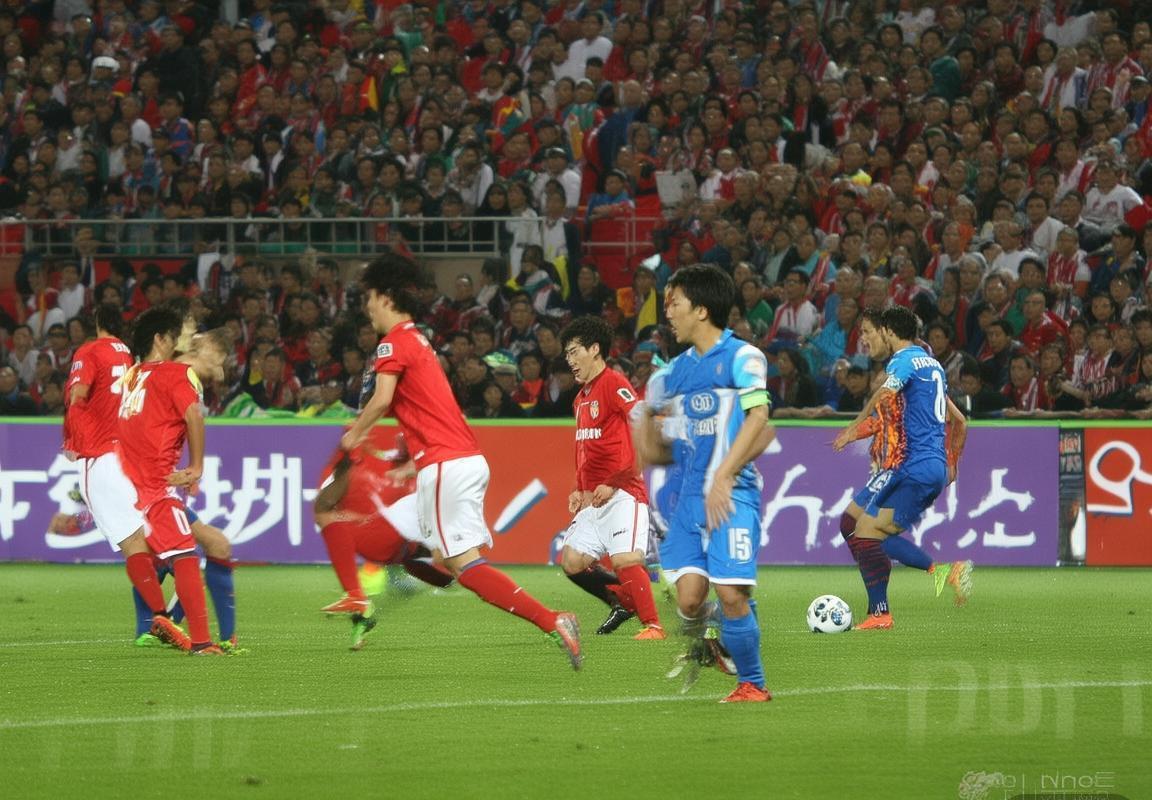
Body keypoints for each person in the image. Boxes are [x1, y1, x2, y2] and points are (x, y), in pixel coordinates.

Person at [339, 252, 582, 669]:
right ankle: (402, 574)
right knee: (437, 557)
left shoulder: (392, 342)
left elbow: (380, 400)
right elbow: (429, 409)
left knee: (464, 567)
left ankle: (552, 620)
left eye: (371, 299)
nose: (368, 308)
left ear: (387, 297)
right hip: (460, 460)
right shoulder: (419, 340)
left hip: (445, 465)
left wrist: (354, 435)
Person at [636, 264, 775, 703]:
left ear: (700, 309)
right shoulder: (669, 375)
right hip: (688, 503)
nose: (668, 313)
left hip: (732, 495)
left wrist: (725, 474)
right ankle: (725, 631)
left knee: (730, 592)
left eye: (674, 303)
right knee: (690, 602)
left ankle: (752, 683)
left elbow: (761, 419)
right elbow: (657, 453)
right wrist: (646, 421)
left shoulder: (743, 357)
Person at [833, 307, 973, 630]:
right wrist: (951, 464)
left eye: (871, 332)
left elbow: (883, 400)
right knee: (857, 527)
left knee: (868, 535)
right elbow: (960, 421)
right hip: (927, 465)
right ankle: (880, 603)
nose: (868, 338)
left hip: (908, 464)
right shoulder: (932, 366)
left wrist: (853, 427)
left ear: (887, 332)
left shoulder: (903, 363)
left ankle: (937, 574)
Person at [63, 302, 189, 650]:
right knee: (149, 538)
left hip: (100, 458)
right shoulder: (132, 359)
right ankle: (178, 590)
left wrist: (71, 439)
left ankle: (161, 615)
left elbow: (77, 395)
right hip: (132, 456)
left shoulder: (90, 351)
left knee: (132, 546)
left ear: (97, 323)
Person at [116, 307, 224, 654]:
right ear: (160, 339)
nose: (182, 343)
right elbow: (194, 415)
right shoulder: (176, 373)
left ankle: (158, 618)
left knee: (144, 553)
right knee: (186, 556)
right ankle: (202, 642)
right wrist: (196, 466)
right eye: (177, 336)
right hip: (155, 485)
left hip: (123, 485)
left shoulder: (131, 376)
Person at [557, 315, 663, 640]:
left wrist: (614, 481)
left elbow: (642, 427)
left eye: (574, 352)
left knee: (625, 558)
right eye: (567, 354)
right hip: (594, 497)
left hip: (623, 492)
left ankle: (653, 626)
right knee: (572, 561)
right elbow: (583, 450)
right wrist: (578, 488)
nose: (570, 360)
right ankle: (623, 600)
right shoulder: (580, 398)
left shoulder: (614, 383)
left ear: (595, 349)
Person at [315, 429, 453, 650]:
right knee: (444, 571)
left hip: (402, 543)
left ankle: (360, 603)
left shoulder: (390, 466)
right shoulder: (372, 468)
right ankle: (363, 605)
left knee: (442, 572)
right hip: (399, 544)